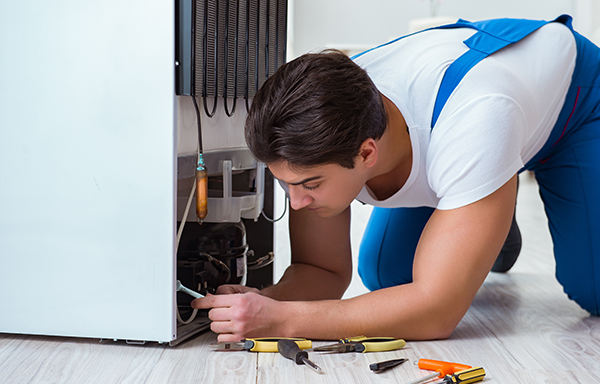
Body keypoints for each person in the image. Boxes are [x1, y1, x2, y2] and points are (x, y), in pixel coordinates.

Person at [192, 14, 600, 342]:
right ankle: (481, 204)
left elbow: (436, 313)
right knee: (389, 276)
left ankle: (483, 195)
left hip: (574, 103)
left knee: (593, 290)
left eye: (310, 185)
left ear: (367, 152)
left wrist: (285, 322)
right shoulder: (321, 122)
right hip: (479, 133)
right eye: (285, 184)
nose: (296, 203)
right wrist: (267, 301)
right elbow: (322, 271)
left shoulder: (477, 120)